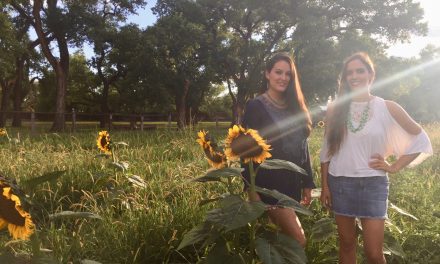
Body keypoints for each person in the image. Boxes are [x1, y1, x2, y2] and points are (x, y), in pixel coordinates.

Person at [320, 52, 432, 263]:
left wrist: (395, 166)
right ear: (344, 78)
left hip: (373, 184)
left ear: (371, 75)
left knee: (373, 252)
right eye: (349, 72)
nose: (354, 76)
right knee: (347, 244)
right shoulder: (335, 109)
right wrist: (325, 185)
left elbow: (421, 138)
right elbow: (327, 151)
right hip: (340, 183)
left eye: (360, 71)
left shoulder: (387, 106)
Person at [241, 52, 316, 247]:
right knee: (298, 241)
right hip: (268, 186)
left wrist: (308, 182)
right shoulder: (255, 106)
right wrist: (251, 190)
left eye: (288, 74)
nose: (283, 78)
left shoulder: (294, 107)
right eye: (278, 72)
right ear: (267, 74)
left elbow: (303, 146)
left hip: (292, 184)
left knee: (281, 241)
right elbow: (246, 150)